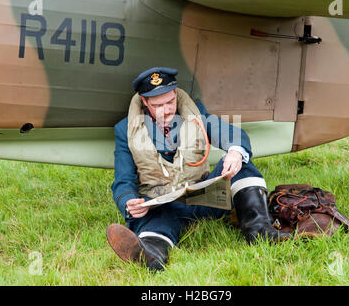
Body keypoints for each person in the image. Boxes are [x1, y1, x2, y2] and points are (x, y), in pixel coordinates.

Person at [107, 67, 291, 271]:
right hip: (163, 206)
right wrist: (129, 202)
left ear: (175, 94)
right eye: (157, 105)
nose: (166, 110)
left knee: (242, 162)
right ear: (144, 102)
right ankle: (151, 255)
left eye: (169, 102)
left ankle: (261, 231)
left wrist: (235, 152)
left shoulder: (197, 113)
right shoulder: (125, 129)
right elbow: (123, 181)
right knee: (156, 226)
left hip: (204, 199)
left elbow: (233, 134)